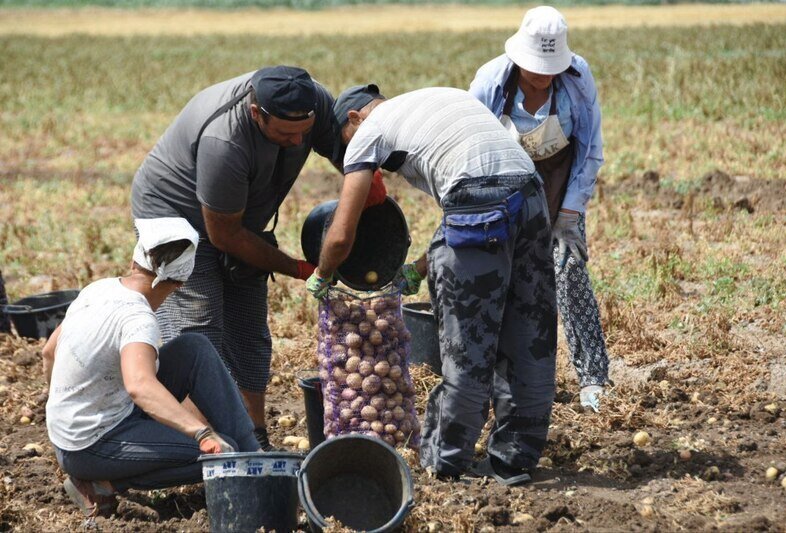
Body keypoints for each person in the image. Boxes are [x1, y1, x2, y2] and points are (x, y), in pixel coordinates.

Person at [307, 84, 557, 485]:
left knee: (467, 346)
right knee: (529, 335)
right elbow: (470, 209)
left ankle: (446, 461)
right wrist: (419, 270)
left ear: (354, 119)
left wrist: (321, 275)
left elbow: (340, 235)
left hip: (481, 203)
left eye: (344, 143)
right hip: (529, 194)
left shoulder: (367, 134)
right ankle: (515, 459)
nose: (351, 157)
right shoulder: (435, 99)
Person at [130, 66, 384, 449]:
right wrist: (300, 269)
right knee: (200, 333)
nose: (298, 139)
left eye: (304, 130)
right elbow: (225, 235)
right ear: (256, 114)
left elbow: (346, 151)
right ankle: (202, 450)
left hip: (239, 214)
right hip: (176, 216)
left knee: (249, 332)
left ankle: (253, 439)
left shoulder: (308, 99)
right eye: (286, 134)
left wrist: (374, 195)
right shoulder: (225, 141)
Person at [43, 218, 260, 518]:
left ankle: (256, 458)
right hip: (90, 445)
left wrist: (62, 410)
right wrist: (201, 433)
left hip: (72, 431)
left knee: (193, 348)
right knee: (226, 454)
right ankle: (102, 482)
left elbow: (49, 350)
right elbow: (139, 385)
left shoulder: (98, 289)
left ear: (135, 260)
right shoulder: (138, 319)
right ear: (180, 283)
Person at [469, 6, 611, 412]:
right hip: (504, 196)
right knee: (502, 283)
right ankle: (506, 377)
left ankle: (593, 377)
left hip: (558, 192)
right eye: (535, 68)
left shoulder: (577, 80)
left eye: (551, 68)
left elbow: (590, 149)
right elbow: (470, 146)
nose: (543, 76)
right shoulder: (490, 82)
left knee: (569, 275)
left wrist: (570, 213)